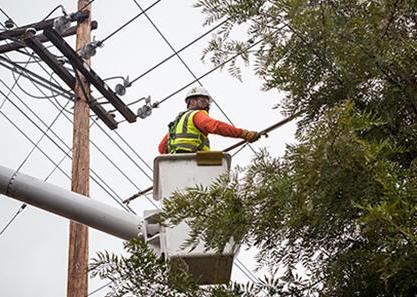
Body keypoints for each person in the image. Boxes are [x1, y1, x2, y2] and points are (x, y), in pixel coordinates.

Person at [158, 86, 260, 154]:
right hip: (193, 160)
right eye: (203, 101)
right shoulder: (197, 115)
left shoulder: (176, 124)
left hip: (175, 163)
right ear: (192, 102)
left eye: (207, 102)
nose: (207, 105)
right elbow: (216, 126)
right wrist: (243, 134)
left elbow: (162, 148)